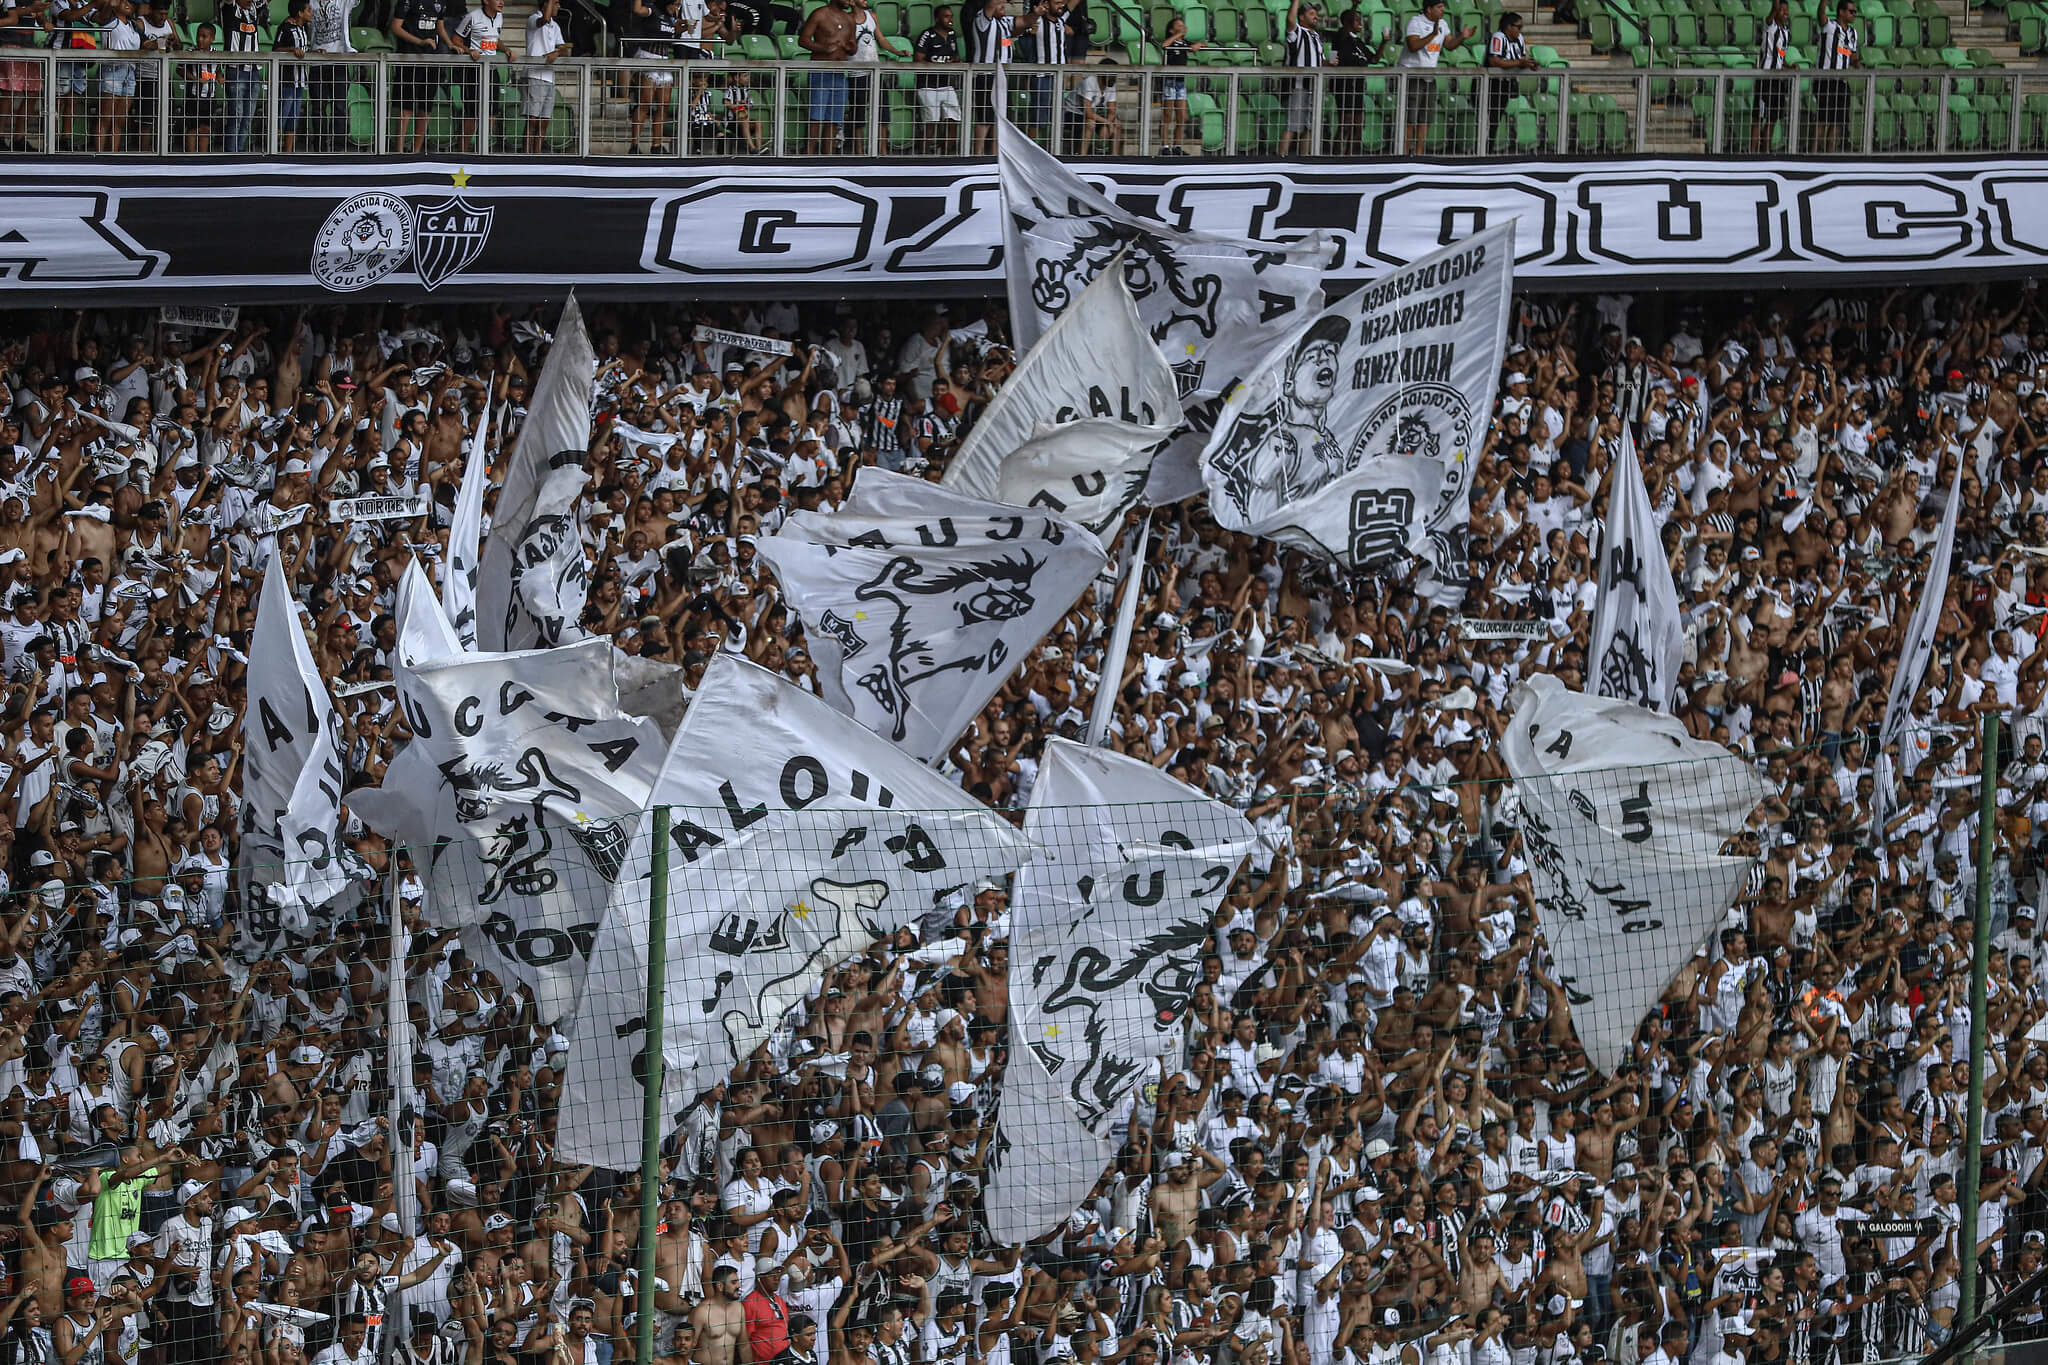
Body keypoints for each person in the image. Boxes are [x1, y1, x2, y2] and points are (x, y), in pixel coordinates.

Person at [1397, 0, 1473, 153]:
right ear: (1429, 9)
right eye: (1439, 7)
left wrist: (1462, 37)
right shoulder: (1415, 22)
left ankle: (1419, 153)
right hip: (1412, 75)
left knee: (1426, 118)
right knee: (1409, 117)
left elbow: (1449, 45)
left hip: (1430, 76)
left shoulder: (1443, 24)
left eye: (1443, 6)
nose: (1443, 9)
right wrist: (1432, 35)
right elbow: (1413, 46)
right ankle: (1404, 153)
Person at [798, 0, 856, 153]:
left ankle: (828, 154)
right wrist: (824, 48)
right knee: (816, 116)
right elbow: (803, 40)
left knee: (834, 118)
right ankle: (809, 154)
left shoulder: (849, 19)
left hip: (840, 73)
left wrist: (850, 48)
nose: (850, 1)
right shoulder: (820, 14)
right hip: (820, 71)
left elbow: (853, 46)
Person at [912, 5, 961, 153]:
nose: (950, 19)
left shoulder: (952, 34)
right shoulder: (927, 34)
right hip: (928, 86)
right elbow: (918, 59)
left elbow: (956, 56)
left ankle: (945, 155)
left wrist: (955, 61)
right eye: (946, 16)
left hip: (946, 85)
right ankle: (922, 157)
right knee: (931, 123)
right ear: (937, 18)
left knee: (953, 120)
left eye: (951, 16)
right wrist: (938, 66)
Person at [522, 0, 569, 153]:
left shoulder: (555, 25)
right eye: (555, 2)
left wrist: (556, 52)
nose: (559, 6)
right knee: (532, 120)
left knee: (544, 121)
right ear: (545, 5)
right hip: (534, 75)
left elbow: (564, 49)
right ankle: (526, 156)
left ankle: (537, 155)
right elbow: (544, 20)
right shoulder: (533, 18)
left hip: (549, 76)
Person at [1278, 0, 1325, 156]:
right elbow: (1290, 20)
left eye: (1316, 14)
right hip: (1299, 86)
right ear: (1302, 17)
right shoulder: (1297, 32)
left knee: (1309, 127)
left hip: (1314, 87)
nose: (1316, 17)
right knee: (1293, 125)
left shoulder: (1316, 36)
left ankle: (1306, 159)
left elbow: (1320, 60)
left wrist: (1330, 63)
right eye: (1311, 14)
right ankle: (1281, 158)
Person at [1483, 10, 1533, 153]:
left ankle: (1488, 149)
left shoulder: (1519, 39)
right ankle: (1483, 149)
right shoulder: (1498, 37)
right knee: (1489, 118)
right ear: (1509, 26)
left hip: (1506, 83)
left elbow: (1521, 59)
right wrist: (1519, 63)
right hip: (1491, 83)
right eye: (1518, 27)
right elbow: (1494, 61)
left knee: (1496, 118)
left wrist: (1529, 64)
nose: (1520, 30)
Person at [1815, 0, 1860, 151]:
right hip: (1826, 80)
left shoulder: (1853, 33)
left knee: (1837, 121)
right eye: (1851, 11)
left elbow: (1852, 54)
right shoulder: (1830, 26)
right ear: (1841, 12)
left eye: (1855, 12)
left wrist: (1857, 63)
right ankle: (1813, 154)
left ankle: (1829, 155)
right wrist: (1824, 2)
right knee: (1822, 120)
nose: (1854, 14)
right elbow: (1821, 14)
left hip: (1842, 82)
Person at [967, 0, 1010, 151]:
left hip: (1002, 75)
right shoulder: (982, 19)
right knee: (984, 117)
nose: (1003, 5)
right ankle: (978, 153)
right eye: (1000, 3)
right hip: (986, 74)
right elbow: (991, 4)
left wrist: (1035, 14)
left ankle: (995, 153)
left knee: (1000, 117)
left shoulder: (1004, 23)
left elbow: (1023, 22)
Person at [1158, 14, 1202, 155]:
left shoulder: (1185, 43)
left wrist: (1198, 45)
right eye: (1179, 26)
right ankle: (1165, 146)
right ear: (1171, 30)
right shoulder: (1171, 42)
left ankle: (1177, 146)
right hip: (1169, 81)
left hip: (1180, 82)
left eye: (1183, 25)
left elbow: (1200, 45)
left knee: (1181, 116)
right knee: (1167, 115)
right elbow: (1164, 45)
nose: (1183, 27)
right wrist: (1177, 35)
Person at [1754, 0, 1789, 152]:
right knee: (1758, 117)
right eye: (1782, 10)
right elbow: (1769, 18)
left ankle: (1765, 150)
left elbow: (1781, 54)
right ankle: (1752, 152)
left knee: (1772, 118)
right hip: (1766, 77)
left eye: (1787, 10)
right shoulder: (1770, 26)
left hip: (1778, 79)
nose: (1785, 13)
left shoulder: (1786, 32)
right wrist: (1774, 9)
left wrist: (1789, 66)